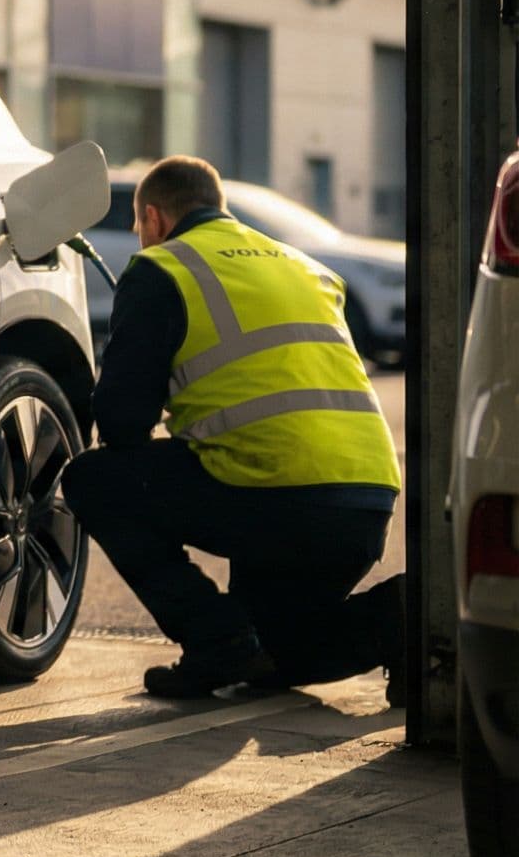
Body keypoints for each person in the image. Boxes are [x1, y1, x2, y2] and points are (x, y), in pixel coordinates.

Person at [61, 155, 404, 698]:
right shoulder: (304, 265)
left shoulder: (164, 268)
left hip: (270, 492)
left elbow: (123, 425)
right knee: (276, 653)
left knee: (93, 480)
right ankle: (402, 617)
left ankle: (212, 637)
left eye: (137, 228)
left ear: (152, 218)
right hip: (363, 505)